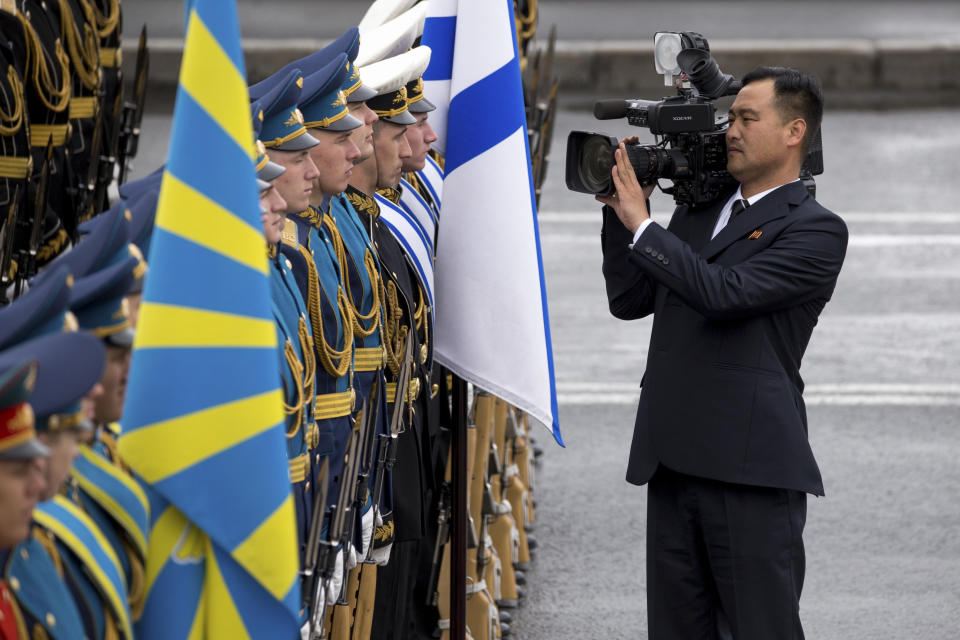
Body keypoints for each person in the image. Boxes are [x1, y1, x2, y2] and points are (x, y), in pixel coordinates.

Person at [597, 66, 848, 639]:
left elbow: (723, 295)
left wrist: (644, 227)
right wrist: (618, 215)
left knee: (760, 628)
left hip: (748, 469)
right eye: (730, 117)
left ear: (794, 132)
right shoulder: (698, 212)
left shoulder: (815, 230)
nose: (730, 129)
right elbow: (631, 299)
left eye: (747, 118)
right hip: (672, 459)